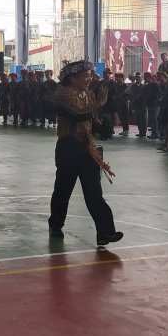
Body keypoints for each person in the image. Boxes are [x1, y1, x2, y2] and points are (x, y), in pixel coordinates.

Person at [48, 60, 123, 247]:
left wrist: (101, 126)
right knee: (63, 189)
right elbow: (78, 115)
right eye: (85, 76)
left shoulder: (89, 94)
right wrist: (100, 103)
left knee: (94, 191)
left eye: (90, 75)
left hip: (87, 147)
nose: (90, 79)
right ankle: (56, 224)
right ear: (73, 78)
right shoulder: (61, 94)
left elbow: (90, 119)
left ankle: (106, 233)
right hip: (68, 148)